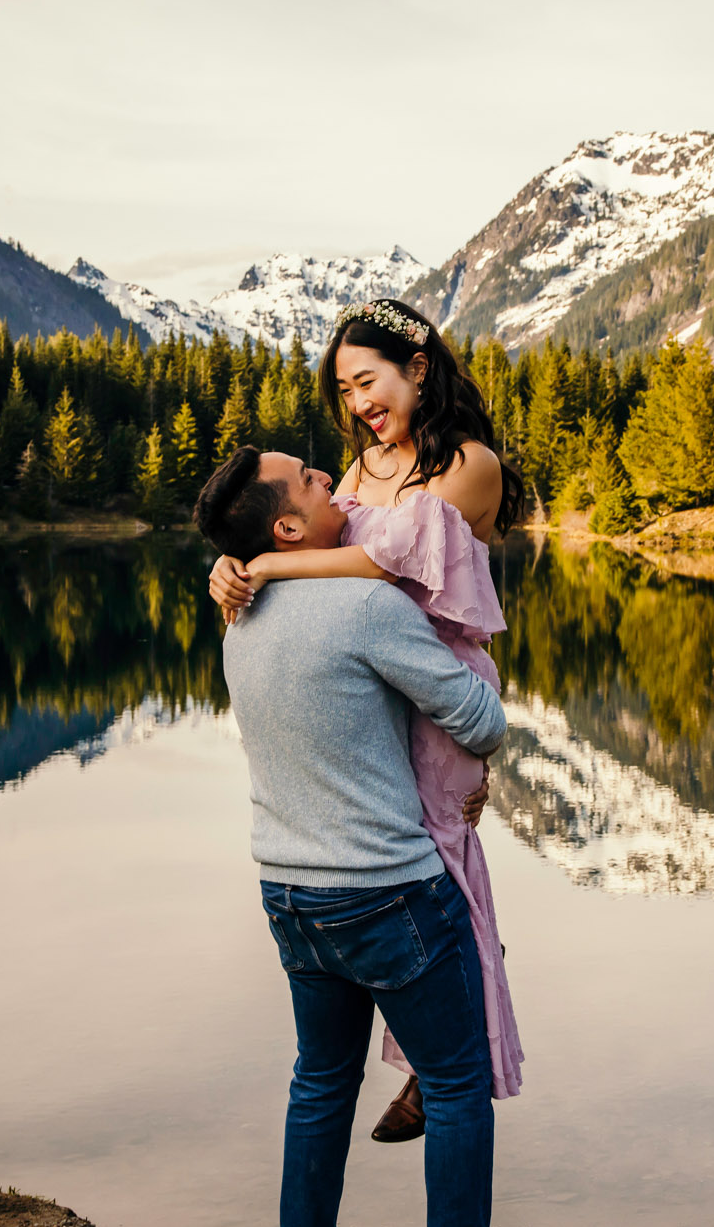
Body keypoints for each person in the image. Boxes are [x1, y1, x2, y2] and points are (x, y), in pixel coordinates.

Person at [207, 298, 527, 1139]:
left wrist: (271, 561)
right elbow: (314, 547)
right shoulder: (358, 471)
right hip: (376, 682)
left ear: (418, 368)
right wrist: (234, 569)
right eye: (344, 390)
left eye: (367, 381)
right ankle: (436, 1056)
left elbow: (387, 566)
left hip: (442, 683)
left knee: (445, 864)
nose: (357, 405)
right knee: (419, 863)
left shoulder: (470, 464)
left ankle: (447, 1062)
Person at [195, 445, 506, 1227]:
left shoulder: (240, 614)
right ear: (290, 525)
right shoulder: (366, 607)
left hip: (289, 891)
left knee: (322, 1078)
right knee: (454, 1086)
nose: (330, 476)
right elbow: (481, 722)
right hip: (388, 892)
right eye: (310, 479)